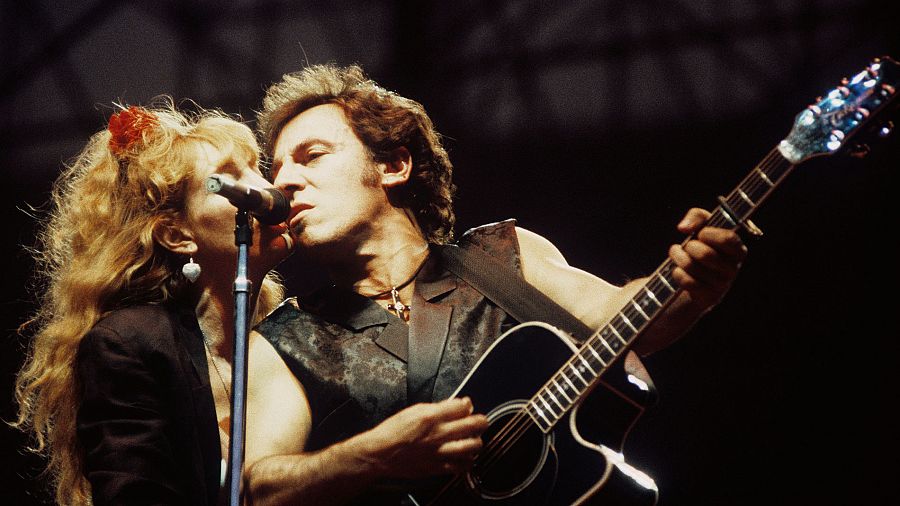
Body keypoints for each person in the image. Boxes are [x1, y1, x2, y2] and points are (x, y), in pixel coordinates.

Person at [240, 64, 747, 505]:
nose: (282, 182)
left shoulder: (504, 257)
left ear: (394, 166)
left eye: (311, 156)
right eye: (277, 167)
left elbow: (626, 315)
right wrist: (373, 454)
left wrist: (694, 288)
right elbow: (259, 489)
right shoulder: (283, 338)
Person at [12, 98, 293, 505]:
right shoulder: (130, 343)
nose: (267, 190)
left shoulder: (289, 333)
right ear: (177, 235)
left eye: (257, 170)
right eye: (229, 180)